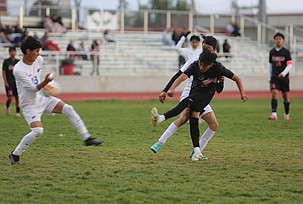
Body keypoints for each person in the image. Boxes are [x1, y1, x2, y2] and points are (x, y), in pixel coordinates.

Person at [8, 36, 102, 165]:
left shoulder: (39, 60)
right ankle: (15, 154)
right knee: (38, 131)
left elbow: (37, 81)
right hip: (29, 105)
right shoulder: (19, 70)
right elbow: (32, 88)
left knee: (68, 109)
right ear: (28, 51)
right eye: (36, 51)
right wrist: (46, 82)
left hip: (41, 99)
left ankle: (87, 138)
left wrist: (47, 86)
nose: (38, 54)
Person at [152, 50, 248, 161]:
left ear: (211, 63)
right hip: (194, 94)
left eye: (204, 65)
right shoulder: (195, 64)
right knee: (188, 116)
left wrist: (242, 93)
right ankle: (194, 151)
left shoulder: (219, 68)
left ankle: (195, 150)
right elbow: (182, 76)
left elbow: (234, 80)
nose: (201, 67)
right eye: (200, 64)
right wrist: (172, 88)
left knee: (212, 124)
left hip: (205, 99)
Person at [150, 36, 222, 160]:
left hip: (203, 98)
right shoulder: (196, 60)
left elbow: (219, 87)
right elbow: (179, 75)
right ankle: (160, 142)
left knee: (214, 125)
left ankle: (197, 152)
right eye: (204, 48)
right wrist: (166, 90)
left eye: (208, 48)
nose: (205, 50)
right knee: (183, 118)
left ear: (214, 49)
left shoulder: (215, 64)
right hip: (190, 93)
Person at [268, 32, 292, 120]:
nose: (278, 41)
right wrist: (269, 77)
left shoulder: (286, 52)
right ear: (274, 40)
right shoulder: (272, 51)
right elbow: (270, 65)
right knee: (274, 93)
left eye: (280, 39)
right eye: (276, 39)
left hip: (284, 78)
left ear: (282, 41)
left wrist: (283, 73)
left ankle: (286, 114)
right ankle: (274, 114)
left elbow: (290, 65)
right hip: (274, 77)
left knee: (285, 96)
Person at [2, 46, 20, 116]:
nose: (13, 53)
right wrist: (5, 82)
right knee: (10, 97)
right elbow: (3, 72)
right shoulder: (6, 61)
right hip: (9, 82)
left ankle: (17, 112)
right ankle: (7, 107)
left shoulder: (18, 62)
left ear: (16, 52)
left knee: (17, 97)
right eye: (11, 51)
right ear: (9, 52)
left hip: (17, 82)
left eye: (14, 51)